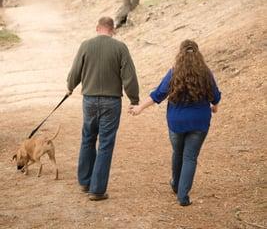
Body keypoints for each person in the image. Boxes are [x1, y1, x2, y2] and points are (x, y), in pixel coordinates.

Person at [129, 39, 221, 207]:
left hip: (177, 122)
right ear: (198, 54)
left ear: (180, 54)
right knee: (190, 157)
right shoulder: (206, 72)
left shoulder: (174, 72)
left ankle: (175, 183)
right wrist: (214, 106)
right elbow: (215, 95)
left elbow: (158, 94)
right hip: (199, 122)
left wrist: (140, 108)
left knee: (178, 153)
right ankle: (183, 196)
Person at [67, 16, 139, 201]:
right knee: (105, 144)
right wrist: (134, 99)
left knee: (88, 139)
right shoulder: (120, 47)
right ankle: (97, 190)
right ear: (112, 30)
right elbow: (129, 76)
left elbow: (75, 71)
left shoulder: (85, 45)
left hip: (89, 100)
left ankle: (84, 181)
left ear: (97, 28)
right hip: (111, 102)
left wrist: (70, 86)